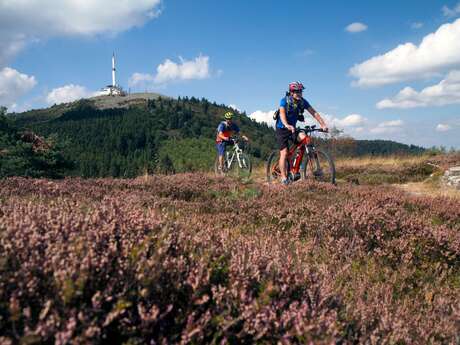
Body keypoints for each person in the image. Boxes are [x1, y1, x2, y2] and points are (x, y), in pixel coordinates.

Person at [276, 81, 328, 185]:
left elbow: (314, 112)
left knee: (306, 139)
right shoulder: (284, 101)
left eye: (300, 91)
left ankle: (297, 168)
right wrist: (286, 124)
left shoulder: (302, 102)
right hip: (282, 129)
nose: (299, 93)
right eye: (296, 91)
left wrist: (323, 124)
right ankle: (283, 177)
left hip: (293, 129)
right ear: (291, 92)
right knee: (284, 153)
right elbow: (282, 113)